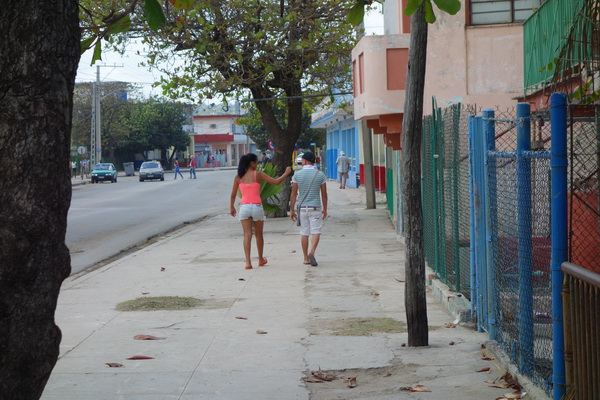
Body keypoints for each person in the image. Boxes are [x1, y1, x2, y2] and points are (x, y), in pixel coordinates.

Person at [230, 153, 292, 270]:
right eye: (256, 162)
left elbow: (233, 194)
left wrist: (231, 207)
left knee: (247, 235)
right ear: (251, 163)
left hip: (244, 207)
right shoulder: (258, 175)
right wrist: (286, 173)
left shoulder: (238, 177)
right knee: (259, 235)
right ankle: (260, 259)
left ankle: (248, 263)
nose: (257, 164)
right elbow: (276, 182)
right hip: (257, 207)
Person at [290, 151, 328, 266]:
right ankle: (312, 252)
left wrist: (291, 209)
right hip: (315, 207)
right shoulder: (320, 175)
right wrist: (325, 209)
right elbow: (324, 194)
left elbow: (293, 194)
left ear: (305, 161)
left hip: (302, 208)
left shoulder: (297, 175)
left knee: (304, 233)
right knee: (316, 231)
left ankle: (306, 258)